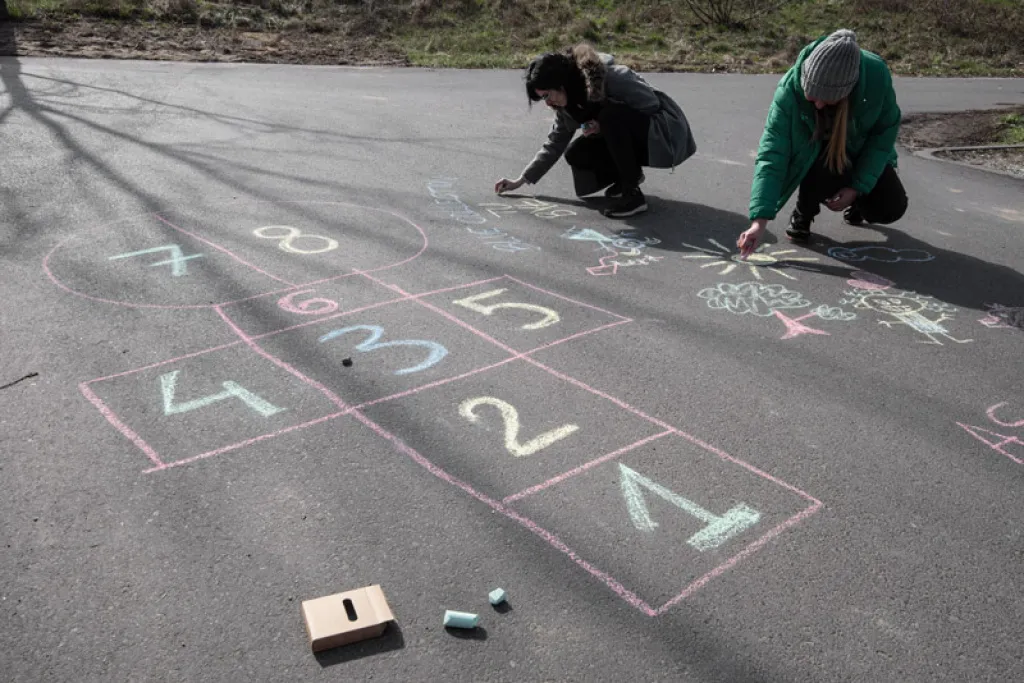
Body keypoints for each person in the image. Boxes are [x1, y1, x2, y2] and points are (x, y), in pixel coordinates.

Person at [738, 29, 908, 258]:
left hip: (857, 154)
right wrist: (759, 222)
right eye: (811, 95)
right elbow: (772, 155)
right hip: (818, 159)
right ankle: (803, 212)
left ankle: (857, 203)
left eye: (826, 98)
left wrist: (857, 188)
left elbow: (882, 139)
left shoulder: (877, 79)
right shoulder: (789, 91)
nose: (817, 104)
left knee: (891, 207)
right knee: (814, 154)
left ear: (846, 92)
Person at [494, 43, 696, 218]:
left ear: (561, 84)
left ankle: (633, 195)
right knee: (576, 153)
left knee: (610, 116)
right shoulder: (565, 105)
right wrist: (520, 181)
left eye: (547, 95)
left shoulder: (613, 77)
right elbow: (554, 144)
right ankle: (629, 176)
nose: (548, 103)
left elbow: (652, 105)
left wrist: (605, 122)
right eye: (542, 98)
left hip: (664, 133)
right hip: (630, 132)